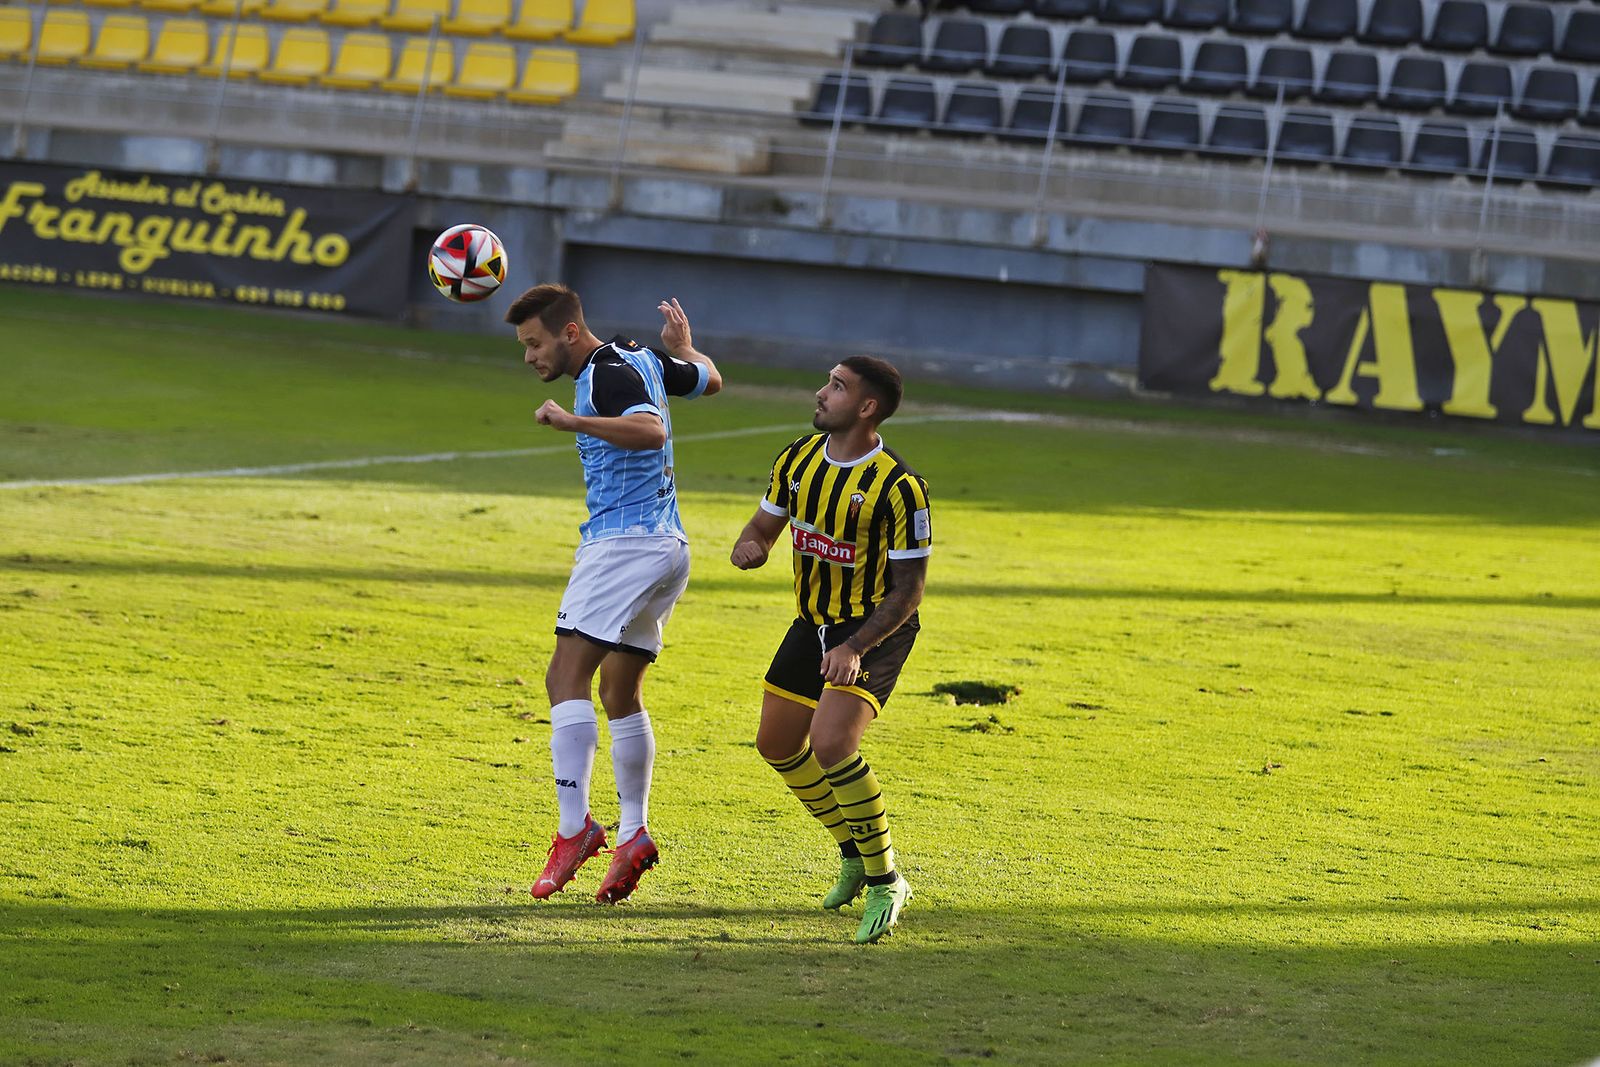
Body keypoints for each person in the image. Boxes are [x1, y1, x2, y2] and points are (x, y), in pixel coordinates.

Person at [507, 283, 722, 904]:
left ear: (569, 333)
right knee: (619, 691)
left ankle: (573, 831)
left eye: (534, 343)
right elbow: (709, 382)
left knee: (562, 679)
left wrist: (572, 421)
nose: (529, 357)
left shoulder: (604, 371)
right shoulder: (642, 356)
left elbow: (650, 432)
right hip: (668, 546)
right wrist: (689, 348)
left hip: (623, 545)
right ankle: (632, 833)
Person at [730, 356, 931, 944]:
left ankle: (887, 880)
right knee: (776, 743)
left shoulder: (900, 488)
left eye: (837, 387)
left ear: (867, 408)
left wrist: (855, 646)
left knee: (832, 742)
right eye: (826, 381)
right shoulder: (796, 459)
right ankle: (851, 851)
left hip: (875, 630)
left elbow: (908, 593)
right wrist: (751, 546)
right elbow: (762, 527)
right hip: (812, 623)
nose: (821, 393)